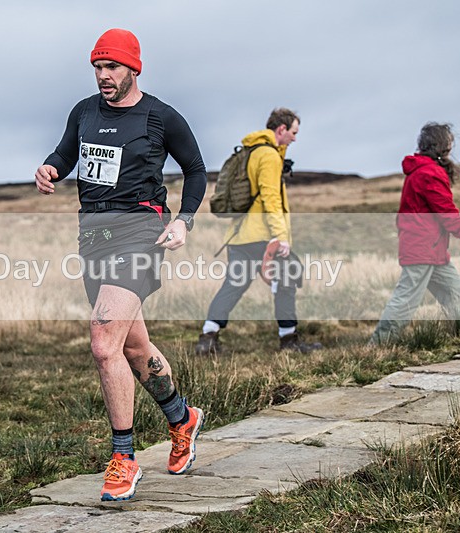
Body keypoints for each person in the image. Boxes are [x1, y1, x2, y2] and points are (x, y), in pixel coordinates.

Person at [35, 28, 207, 502]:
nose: (103, 76)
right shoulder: (84, 112)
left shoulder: (161, 117)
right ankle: (182, 418)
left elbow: (196, 170)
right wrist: (50, 167)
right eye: (97, 67)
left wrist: (185, 221)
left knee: (101, 339)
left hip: (140, 233)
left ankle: (124, 458)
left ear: (134, 68)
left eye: (111, 67)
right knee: (133, 347)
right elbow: (67, 153)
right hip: (94, 237)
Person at [195, 108, 322, 355]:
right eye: (293, 132)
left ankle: (207, 337)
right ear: (281, 129)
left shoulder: (253, 151)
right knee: (287, 280)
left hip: (241, 235)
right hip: (263, 236)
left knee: (234, 285)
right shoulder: (269, 156)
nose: (295, 138)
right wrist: (281, 236)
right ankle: (289, 341)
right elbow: (270, 198)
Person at [371, 122, 460, 344]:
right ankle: (379, 345)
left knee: (454, 289)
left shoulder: (422, 170)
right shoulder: (429, 173)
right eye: (449, 142)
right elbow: (446, 212)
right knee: (405, 299)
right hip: (422, 248)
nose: (451, 146)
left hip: (432, 248)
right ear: (442, 146)